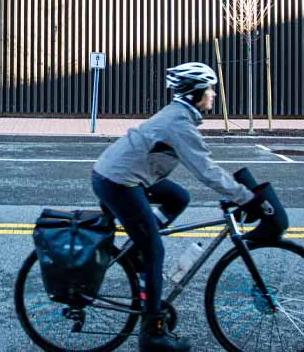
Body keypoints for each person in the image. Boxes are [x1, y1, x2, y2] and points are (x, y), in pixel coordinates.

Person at [91, 62, 261, 352]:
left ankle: (134, 252)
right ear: (195, 93)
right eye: (210, 89)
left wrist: (239, 195)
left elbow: (205, 167)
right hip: (118, 181)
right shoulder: (179, 123)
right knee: (155, 250)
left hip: (125, 175)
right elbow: (206, 170)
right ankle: (153, 334)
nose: (214, 95)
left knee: (178, 198)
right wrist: (246, 197)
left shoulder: (181, 116)